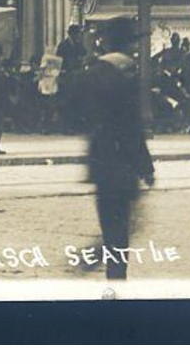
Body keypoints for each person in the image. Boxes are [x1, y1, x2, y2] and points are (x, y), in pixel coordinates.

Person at [74, 18, 155, 281]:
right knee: (121, 231)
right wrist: (146, 166)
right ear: (127, 44)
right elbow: (131, 126)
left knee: (111, 224)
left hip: (100, 161)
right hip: (123, 165)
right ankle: (114, 279)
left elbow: (74, 113)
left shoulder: (90, 74)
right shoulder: (126, 74)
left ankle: (100, 260)